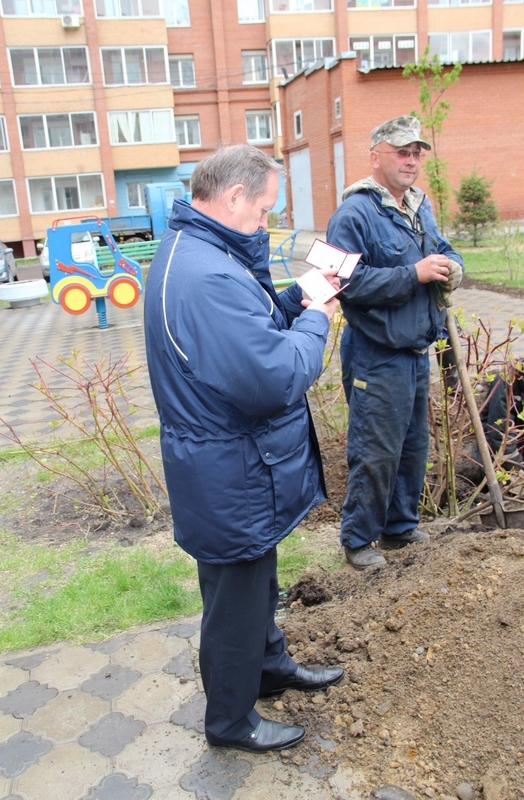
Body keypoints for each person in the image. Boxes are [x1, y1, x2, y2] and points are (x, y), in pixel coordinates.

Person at [144, 144, 344, 753]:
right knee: (234, 601)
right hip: (231, 468)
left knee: (255, 578)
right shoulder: (206, 275)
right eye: (263, 212)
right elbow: (272, 379)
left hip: (232, 465)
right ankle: (231, 722)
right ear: (233, 197)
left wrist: (288, 301)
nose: (265, 223)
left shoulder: (202, 252)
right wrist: (315, 317)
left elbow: (240, 336)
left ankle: (269, 666)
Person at [326, 116, 464, 570]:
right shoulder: (353, 213)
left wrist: (452, 267)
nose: (411, 160)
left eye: (417, 152)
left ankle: (400, 529)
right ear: (375, 156)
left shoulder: (419, 207)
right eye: (401, 151)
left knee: (411, 446)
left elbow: (444, 250)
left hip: (414, 350)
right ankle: (358, 540)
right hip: (375, 354)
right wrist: (414, 274)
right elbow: (342, 282)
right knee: (375, 449)